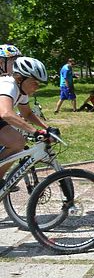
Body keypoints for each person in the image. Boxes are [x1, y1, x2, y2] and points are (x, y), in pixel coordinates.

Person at [0, 57, 54, 188]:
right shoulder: (9, 86)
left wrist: (48, 128)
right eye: (34, 82)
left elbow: (27, 114)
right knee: (16, 141)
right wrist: (35, 132)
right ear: (20, 78)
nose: (37, 86)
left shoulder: (21, 91)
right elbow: (6, 113)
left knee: (17, 142)